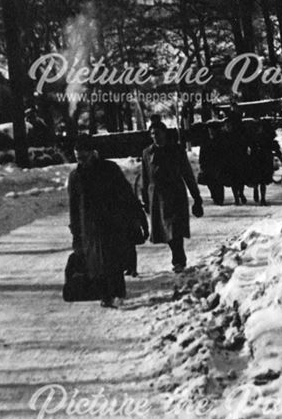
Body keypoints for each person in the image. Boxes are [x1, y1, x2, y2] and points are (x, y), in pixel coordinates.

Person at [67, 134, 148, 308]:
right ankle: (105, 295)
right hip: (89, 227)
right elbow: (73, 207)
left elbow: (126, 193)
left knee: (113, 261)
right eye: (77, 157)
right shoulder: (75, 177)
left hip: (112, 223)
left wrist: (138, 216)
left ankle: (117, 293)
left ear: (93, 153)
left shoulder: (109, 169)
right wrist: (75, 231)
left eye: (83, 156)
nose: (81, 161)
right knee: (95, 264)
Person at [141, 121, 203, 273]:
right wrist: (145, 199)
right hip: (156, 196)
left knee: (175, 228)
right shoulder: (147, 153)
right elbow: (145, 177)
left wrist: (197, 197)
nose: (156, 136)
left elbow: (187, 174)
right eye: (153, 134)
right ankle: (178, 257)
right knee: (165, 230)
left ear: (164, 133)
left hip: (175, 193)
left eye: (158, 133)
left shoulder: (176, 150)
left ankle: (179, 260)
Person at [248, 122, 282, 206]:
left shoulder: (261, 137)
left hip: (262, 160)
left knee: (261, 180)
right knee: (261, 180)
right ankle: (258, 192)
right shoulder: (257, 138)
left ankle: (261, 196)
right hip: (260, 160)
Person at [197, 122, 226, 206]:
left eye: (212, 130)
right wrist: (202, 164)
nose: (211, 132)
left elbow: (223, 153)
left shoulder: (220, 141)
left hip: (217, 165)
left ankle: (219, 198)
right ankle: (214, 195)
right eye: (210, 130)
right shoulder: (205, 141)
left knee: (218, 182)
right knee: (210, 182)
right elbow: (202, 154)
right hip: (208, 165)